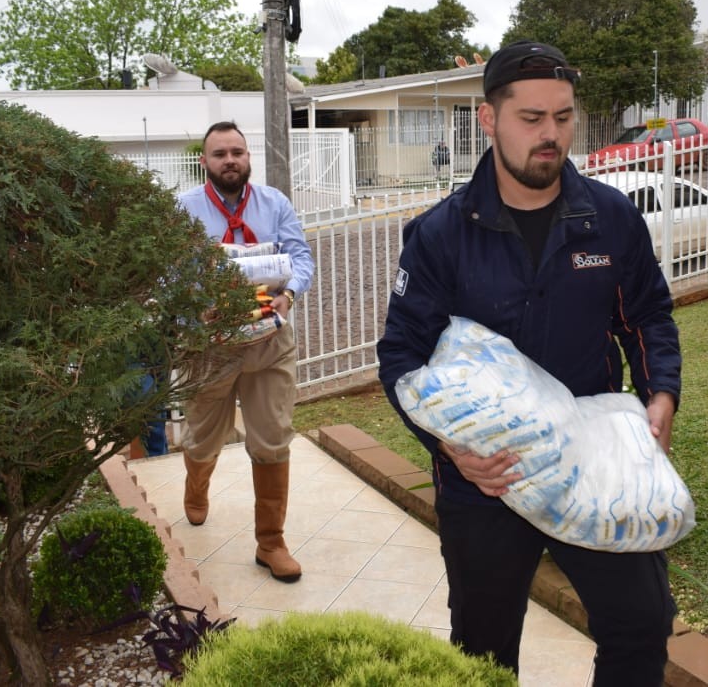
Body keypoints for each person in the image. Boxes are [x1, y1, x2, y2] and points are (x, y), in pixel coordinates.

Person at [377, 40, 682, 685]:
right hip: (486, 482)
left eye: (564, 117)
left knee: (641, 624)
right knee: (483, 652)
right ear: (489, 120)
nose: (552, 135)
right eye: (532, 118)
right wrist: (449, 448)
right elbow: (402, 355)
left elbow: (648, 316)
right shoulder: (441, 234)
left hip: (594, 464)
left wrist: (662, 396)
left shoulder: (612, 218)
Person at [177, 120, 315, 583]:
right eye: (220, 154)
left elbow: (301, 257)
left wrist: (290, 294)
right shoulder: (184, 209)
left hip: (269, 342)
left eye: (237, 151)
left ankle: (270, 542)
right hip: (209, 347)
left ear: (247, 157)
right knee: (202, 434)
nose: (230, 160)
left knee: (273, 439)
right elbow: (166, 273)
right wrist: (197, 308)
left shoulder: (274, 203)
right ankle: (196, 486)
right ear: (205, 161)